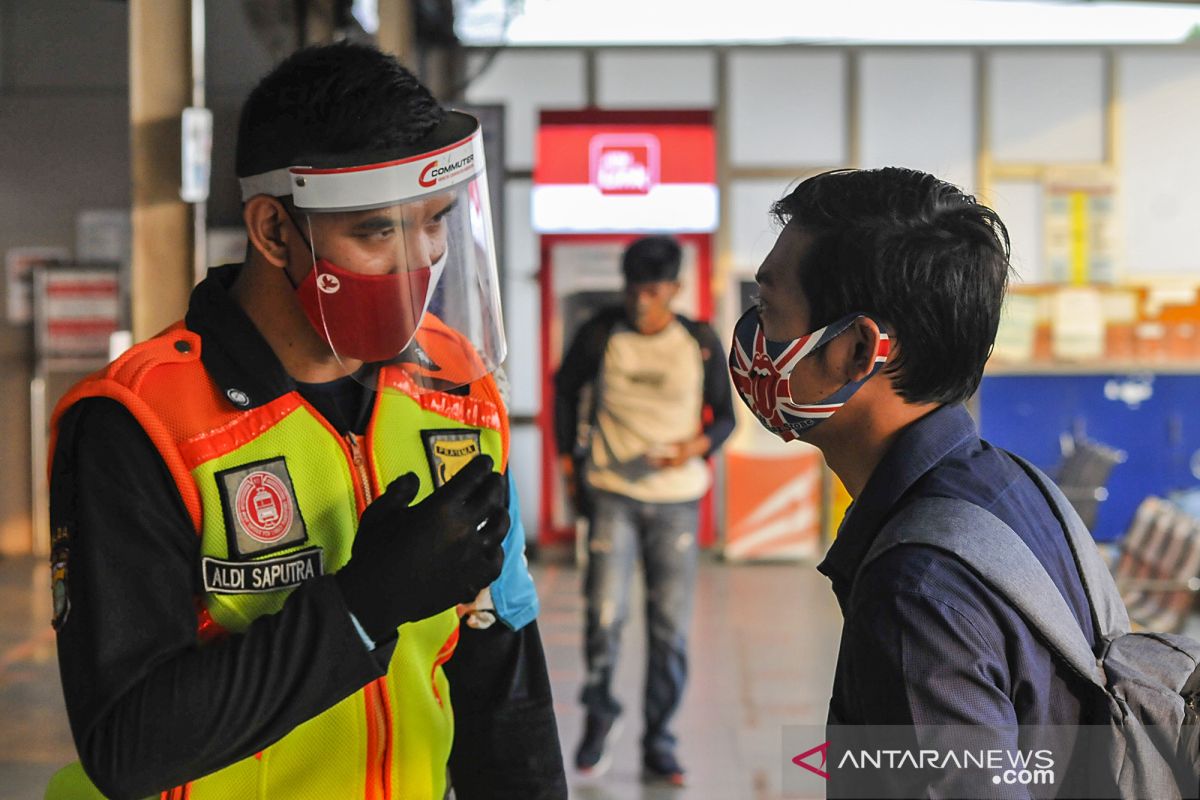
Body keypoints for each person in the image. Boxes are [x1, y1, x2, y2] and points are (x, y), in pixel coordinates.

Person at [45, 42, 565, 800]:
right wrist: (360, 608)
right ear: (274, 231)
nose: (419, 259)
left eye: (435, 222)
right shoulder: (138, 424)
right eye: (378, 232)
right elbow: (128, 743)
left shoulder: (457, 389)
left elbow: (501, 677)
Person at [729, 168, 1098, 796]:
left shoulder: (916, 590)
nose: (753, 338)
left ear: (857, 351)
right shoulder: (1018, 486)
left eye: (769, 309)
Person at [554, 235, 735, 786]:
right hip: (611, 493)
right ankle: (599, 715)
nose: (640, 301)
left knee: (668, 630)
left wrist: (692, 448)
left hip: (677, 500)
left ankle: (660, 740)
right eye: (633, 289)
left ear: (675, 290)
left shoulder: (698, 341)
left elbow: (724, 419)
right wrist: (568, 464)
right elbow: (564, 391)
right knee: (604, 617)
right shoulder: (602, 333)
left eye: (652, 291)